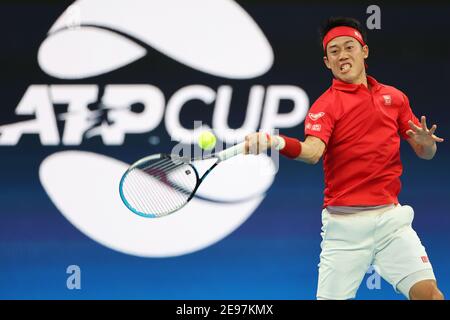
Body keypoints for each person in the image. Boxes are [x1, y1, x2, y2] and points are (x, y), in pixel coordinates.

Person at [244, 17, 444, 300]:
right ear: (327, 62)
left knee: (430, 296)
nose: (342, 55)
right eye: (334, 51)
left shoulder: (395, 98)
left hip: (391, 221)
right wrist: (274, 140)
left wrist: (426, 144)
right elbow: (312, 153)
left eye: (349, 47)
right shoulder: (325, 106)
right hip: (344, 229)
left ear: (364, 51)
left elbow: (425, 153)